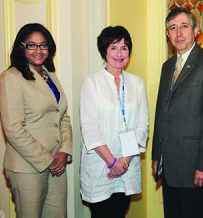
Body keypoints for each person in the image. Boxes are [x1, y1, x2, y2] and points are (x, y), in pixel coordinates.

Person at [152, 8, 203, 218]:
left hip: (197, 169)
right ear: (167, 34)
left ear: (195, 30)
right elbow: (162, 113)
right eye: (172, 28)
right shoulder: (167, 67)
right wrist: (158, 155)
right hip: (170, 167)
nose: (178, 33)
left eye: (184, 26)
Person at [0, 23, 72, 218]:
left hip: (57, 165)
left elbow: (62, 115)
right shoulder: (11, 77)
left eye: (44, 45)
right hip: (27, 168)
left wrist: (64, 151)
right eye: (32, 45)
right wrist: (48, 159)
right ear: (21, 47)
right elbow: (14, 129)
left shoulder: (50, 76)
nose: (39, 50)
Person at [80, 25, 149, 218]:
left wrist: (124, 161)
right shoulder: (91, 82)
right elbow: (90, 129)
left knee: (120, 212)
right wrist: (112, 162)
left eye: (124, 48)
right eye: (113, 47)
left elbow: (142, 125)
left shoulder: (137, 83)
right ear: (104, 51)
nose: (119, 53)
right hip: (101, 168)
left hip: (127, 166)